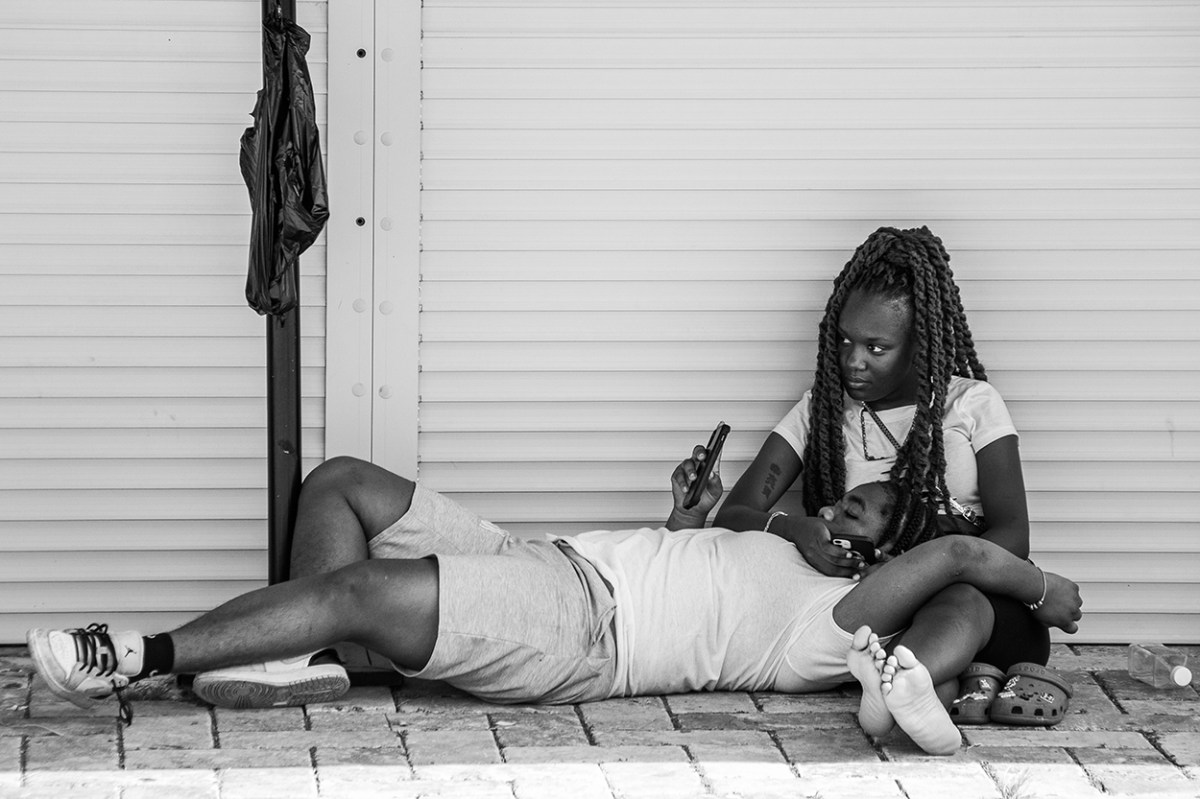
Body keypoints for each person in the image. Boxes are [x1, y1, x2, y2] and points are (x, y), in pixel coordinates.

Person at [28, 458, 1081, 756]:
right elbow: (696, 567)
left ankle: (132, 654)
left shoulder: (841, 622)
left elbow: (959, 555)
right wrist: (682, 519)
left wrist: (1044, 591)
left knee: (358, 589)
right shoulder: (797, 556)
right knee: (341, 483)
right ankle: (306, 658)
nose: (841, 505)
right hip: (548, 561)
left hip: (582, 630)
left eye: (865, 507)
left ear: (891, 557)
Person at [714, 224, 1053, 724]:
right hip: (866, 603)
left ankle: (905, 688)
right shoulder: (820, 413)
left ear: (919, 343)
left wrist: (920, 570)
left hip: (968, 593)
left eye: (877, 348)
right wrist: (796, 530)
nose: (854, 361)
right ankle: (921, 690)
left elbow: (1013, 535)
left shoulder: (971, 404)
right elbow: (735, 515)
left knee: (966, 607)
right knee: (930, 658)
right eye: (845, 340)